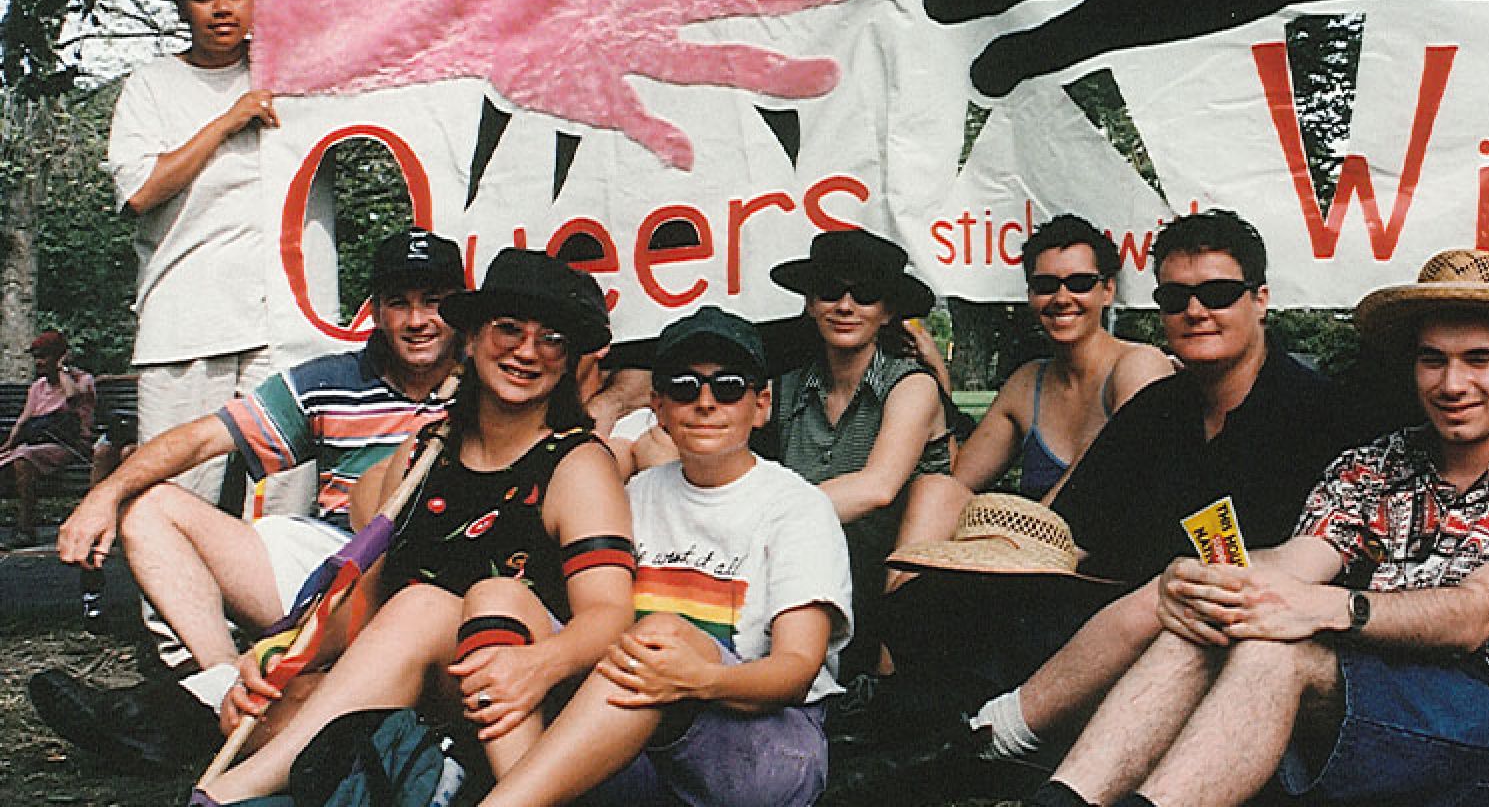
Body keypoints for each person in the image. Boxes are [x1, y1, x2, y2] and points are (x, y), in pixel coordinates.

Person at [1005, 248, 1489, 807]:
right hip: (1379, 698)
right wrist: (1209, 581)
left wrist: (1330, 608)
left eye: (1478, 360)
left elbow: (1473, 616)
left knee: (1282, 653)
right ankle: (1064, 800)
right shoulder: (1375, 465)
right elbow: (1300, 559)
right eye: (1433, 360)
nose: (1451, 383)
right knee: (1221, 611)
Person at [837, 210, 1403, 795]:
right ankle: (917, 730)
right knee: (946, 595)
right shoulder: (1157, 407)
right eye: (1176, 296)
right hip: (1117, 613)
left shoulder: (1320, 413)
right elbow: (1069, 527)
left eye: (1217, 293)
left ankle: (976, 741)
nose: (1195, 311)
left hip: (1237, 626)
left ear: (1259, 300)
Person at [192, 247, 635, 804]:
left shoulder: (576, 463)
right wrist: (278, 653)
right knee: (267, 703)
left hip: (531, 700)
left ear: (568, 359)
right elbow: (367, 597)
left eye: (551, 339)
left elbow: (610, 615)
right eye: (508, 330)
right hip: (424, 691)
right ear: (469, 340)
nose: (527, 351)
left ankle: (226, 794)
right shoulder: (424, 455)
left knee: (434, 604)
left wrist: (539, 665)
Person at [27, 229, 466, 773]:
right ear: (375, 311)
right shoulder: (334, 379)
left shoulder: (487, 383)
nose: (418, 320)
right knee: (149, 506)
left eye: (436, 303)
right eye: (399, 303)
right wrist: (105, 494)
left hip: (421, 583)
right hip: (328, 562)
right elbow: (200, 438)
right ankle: (228, 683)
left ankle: (184, 715)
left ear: (463, 310)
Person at [479, 304, 851, 807]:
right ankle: (530, 790)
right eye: (683, 386)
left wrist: (703, 680)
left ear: (761, 404)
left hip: (758, 752)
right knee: (497, 595)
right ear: (657, 407)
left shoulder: (798, 507)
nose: (704, 403)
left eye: (728, 387)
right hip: (633, 743)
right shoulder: (633, 494)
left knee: (661, 632)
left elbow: (797, 668)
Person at [106, 0, 311, 504]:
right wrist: (228, 121)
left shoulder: (290, 74)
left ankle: (277, 599)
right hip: (186, 322)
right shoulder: (153, 85)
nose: (221, 8)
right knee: (174, 500)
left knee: (284, 502)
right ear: (181, 6)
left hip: (281, 320)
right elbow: (142, 190)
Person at [890, 214, 1172, 575]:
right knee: (935, 491)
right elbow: (959, 478)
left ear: (1108, 291)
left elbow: (1098, 477)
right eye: (1045, 285)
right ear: (1030, 296)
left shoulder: (1139, 365)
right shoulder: (1029, 382)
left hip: (1106, 562)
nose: (1062, 298)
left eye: (1080, 283)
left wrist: (1014, 542)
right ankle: (895, 619)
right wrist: (934, 377)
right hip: (1028, 562)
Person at [764, 227, 952, 678]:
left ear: (887, 312)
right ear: (810, 304)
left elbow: (878, 488)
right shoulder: (784, 389)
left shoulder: (912, 386)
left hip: (891, 584)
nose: (845, 307)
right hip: (807, 577)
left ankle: (887, 694)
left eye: (864, 295)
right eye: (830, 292)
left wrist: (758, 517)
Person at [0, 330, 97, 547]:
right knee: (18, 457)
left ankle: (26, 529)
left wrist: (62, 369)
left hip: (69, 447)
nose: (39, 362)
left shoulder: (81, 380)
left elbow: (72, 398)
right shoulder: (38, 388)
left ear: (59, 356)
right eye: (36, 357)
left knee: (24, 458)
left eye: (44, 356)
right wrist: (6, 447)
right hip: (37, 446)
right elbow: (22, 423)